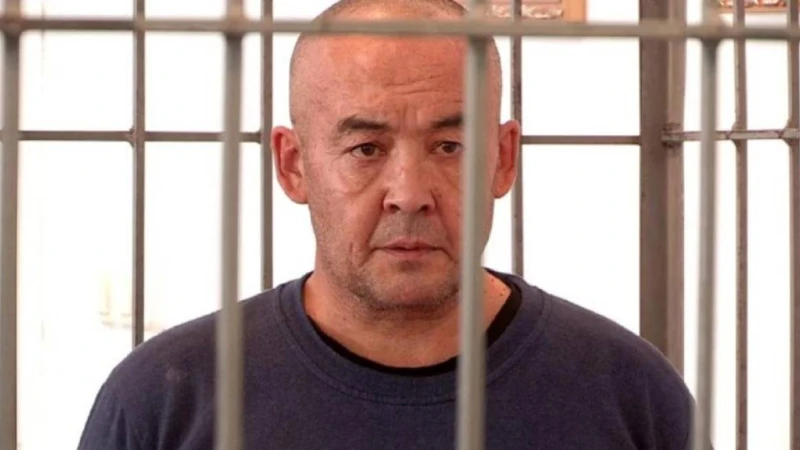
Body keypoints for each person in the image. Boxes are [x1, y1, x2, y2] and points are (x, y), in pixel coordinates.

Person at [78, 0, 695, 448]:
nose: (410, 194)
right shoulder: (165, 402)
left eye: (449, 146)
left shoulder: (629, 396)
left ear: (503, 159)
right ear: (293, 166)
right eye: (366, 149)